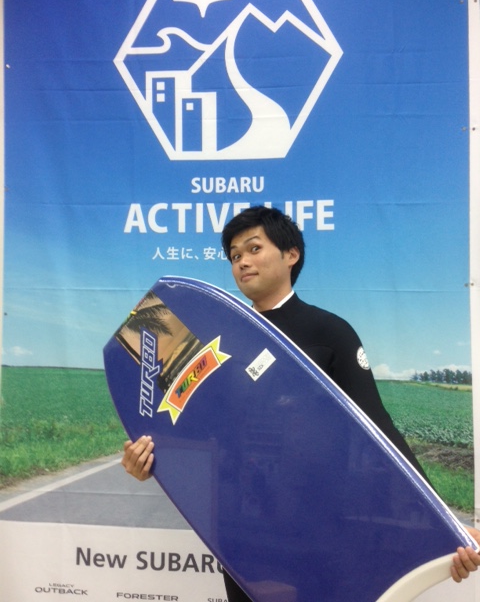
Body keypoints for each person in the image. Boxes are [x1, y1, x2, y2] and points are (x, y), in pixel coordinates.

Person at [122, 205, 480, 598]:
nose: (242, 262)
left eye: (254, 249)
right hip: (240, 531)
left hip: (321, 527)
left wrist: (446, 525)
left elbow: (379, 429)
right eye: (235, 256)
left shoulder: (329, 332)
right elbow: (191, 428)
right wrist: (149, 461)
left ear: (291, 254)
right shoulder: (216, 341)